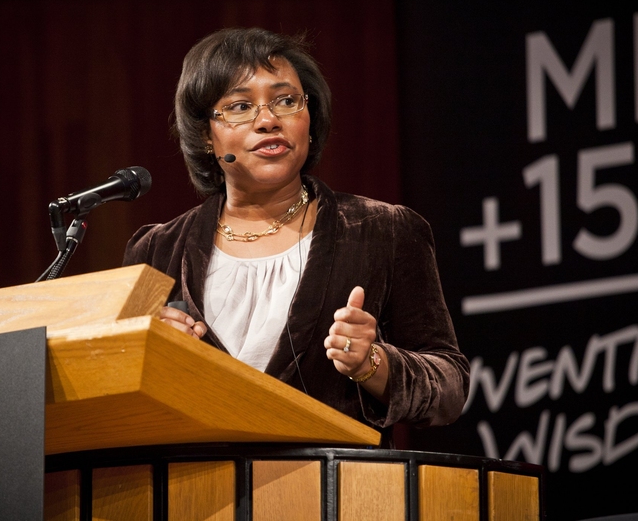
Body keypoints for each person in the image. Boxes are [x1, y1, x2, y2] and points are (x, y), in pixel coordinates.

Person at [123, 27, 468, 445]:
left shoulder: (384, 230)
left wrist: (373, 363)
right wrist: (148, 359)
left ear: (310, 120)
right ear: (205, 135)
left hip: (335, 482)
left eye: (286, 101)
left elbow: (449, 388)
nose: (268, 120)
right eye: (240, 106)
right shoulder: (157, 250)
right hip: (197, 483)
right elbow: (123, 406)